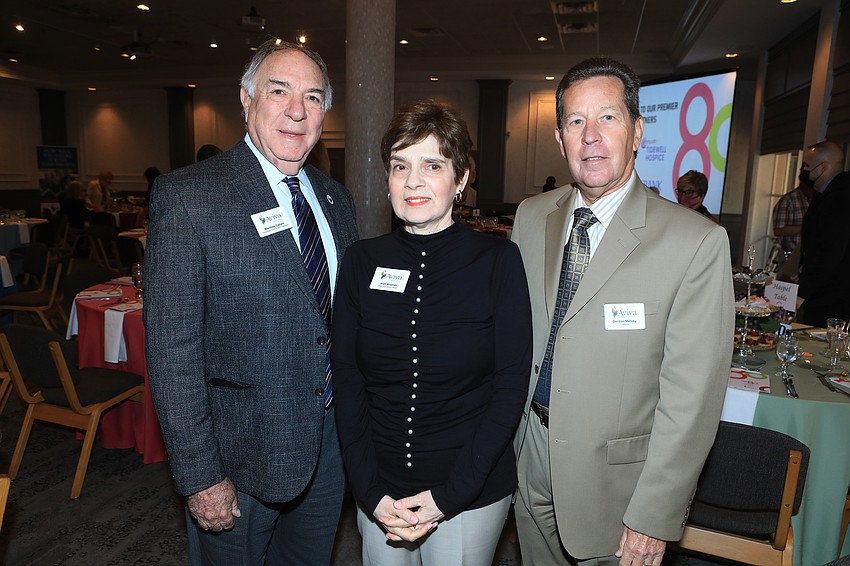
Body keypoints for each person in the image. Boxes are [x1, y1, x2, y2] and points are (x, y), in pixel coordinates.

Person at [510, 57, 734, 566]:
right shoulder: (531, 217)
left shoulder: (695, 242)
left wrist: (654, 514)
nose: (590, 136)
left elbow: (693, 398)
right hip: (530, 460)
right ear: (559, 138)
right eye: (575, 122)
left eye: (607, 118)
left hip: (616, 487)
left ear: (636, 131)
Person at [144, 38, 359, 565]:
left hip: (329, 444)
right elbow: (172, 353)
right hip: (237, 458)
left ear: (324, 112)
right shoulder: (189, 197)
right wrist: (200, 475)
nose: (295, 111)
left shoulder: (335, 200)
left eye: (312, 97)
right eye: (278, 91)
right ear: (246, 99)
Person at [331, 100, 532, 565]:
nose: (413, 181)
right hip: (379, 488)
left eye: (432, 165)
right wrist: (368, 488)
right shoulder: (361, 261)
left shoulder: (498, 262)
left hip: (470, 488)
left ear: (460, 179)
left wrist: (449, 495)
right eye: (400, 166)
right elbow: (346, 378)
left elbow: (509, 386)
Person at [798, 140, 850, 327]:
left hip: (832, 297)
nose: (803, 170)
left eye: (807, 166)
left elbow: (829, 251)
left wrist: (804, 291)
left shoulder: (840, 197)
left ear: (823, 167)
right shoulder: (825, 194)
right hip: (826, 292)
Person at [773, 167, 815, 252]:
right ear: (802, 184)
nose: (812, 191)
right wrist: (806, 227)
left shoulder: (815, 199)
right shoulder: (788, 200)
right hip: (791, 252)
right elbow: (778, 230)